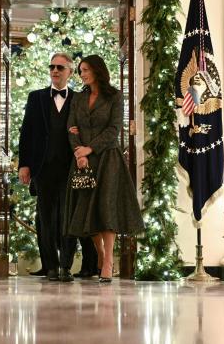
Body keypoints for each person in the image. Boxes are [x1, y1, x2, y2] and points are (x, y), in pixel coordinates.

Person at [64, 54, 144, 283]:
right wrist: (79, 152)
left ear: (97, 70)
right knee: (87, 208)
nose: (82, 74)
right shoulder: (78, 98)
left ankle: (108, 260)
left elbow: (114, 129)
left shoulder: (114, 96)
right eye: (80, 70)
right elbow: (72, 127)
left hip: (107, 159)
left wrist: (89, 149)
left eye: (86, 69)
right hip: (82, 160)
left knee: (106, 208)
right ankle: (99, 254)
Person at [18, 53, 78, 282]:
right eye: (52, 67)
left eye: (60, 67)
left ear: (69, 72)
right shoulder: (36, 97)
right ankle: (50, 266)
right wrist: (24, 164)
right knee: (45, 218)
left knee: (69, 218)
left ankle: (66, 266)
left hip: (71, 168)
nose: (55, 71)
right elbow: (27, 132)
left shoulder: (79, 99)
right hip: (42, 168)